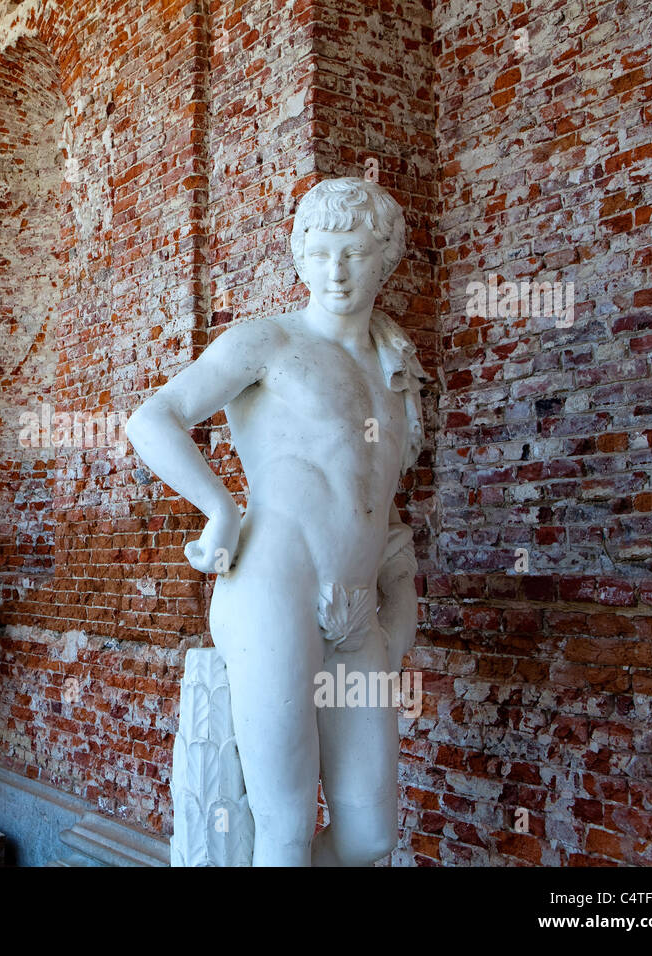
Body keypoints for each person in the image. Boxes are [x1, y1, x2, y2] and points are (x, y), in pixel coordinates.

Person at [126, 177, 426, 866]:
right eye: (320, 253)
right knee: (285, 828)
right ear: (299, 256)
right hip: (275, 589)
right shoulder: (267, 343)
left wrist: (398, 590)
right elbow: (153, 418)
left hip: (358, 611)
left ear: (385, 257)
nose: (336, 270)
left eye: (353, 253)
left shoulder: (396, 365)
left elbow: (376, 493)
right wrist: (219, 509)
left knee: (371, 834)